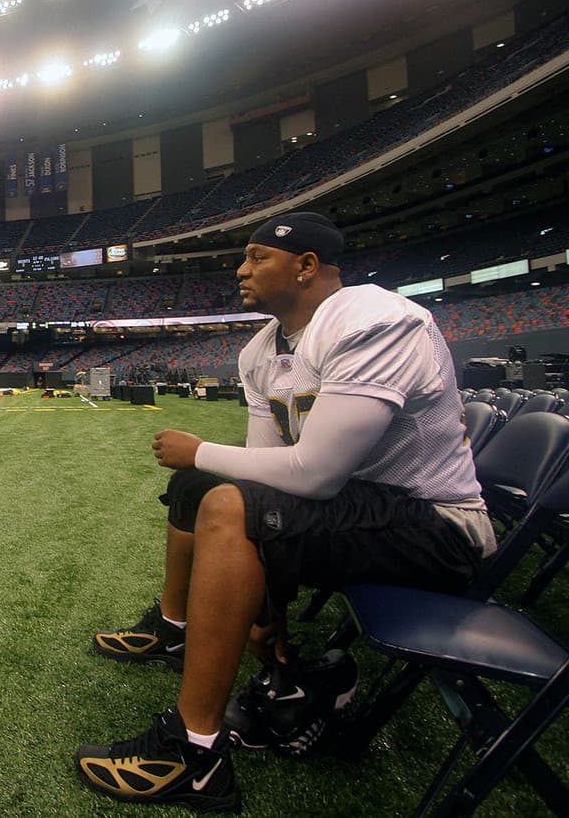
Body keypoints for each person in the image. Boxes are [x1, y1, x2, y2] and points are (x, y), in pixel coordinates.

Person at [74, 211, 495, 811]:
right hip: (357, 514)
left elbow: (316, 474)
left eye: (257, 257)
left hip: (435, 525)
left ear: (306, 266)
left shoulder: (374, 318)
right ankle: (177, 630)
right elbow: (266, 474)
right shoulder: (260, 351)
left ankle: (194, 754)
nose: (241, 271)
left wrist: (199, 447)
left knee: (222, 497)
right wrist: (264, 601)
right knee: (201, 487)